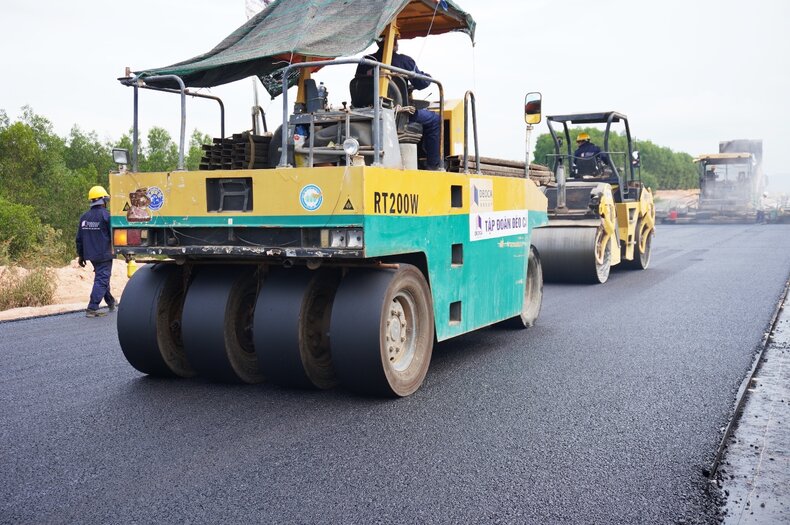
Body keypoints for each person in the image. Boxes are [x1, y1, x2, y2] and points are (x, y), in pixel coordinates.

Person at [356, 36, 442, 170]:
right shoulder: (404, 61)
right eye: (396, 38)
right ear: (393, 41)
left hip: (368, 113)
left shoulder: (365, 61)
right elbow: (422, 83)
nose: (397, 42)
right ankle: (433, 166)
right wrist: (427, 76)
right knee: (435, 120)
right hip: (399, 116)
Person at [76, 186, 117, 317]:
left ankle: (110, 302)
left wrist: (81, 256)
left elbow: (79, 239)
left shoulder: (84, 217)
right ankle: (92, 307)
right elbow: (114, 237)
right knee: (102, 279)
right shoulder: (107, 216)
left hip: (91, 255)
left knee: (102, 278)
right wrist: (124, 252)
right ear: (104, 200)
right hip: (104, 254)